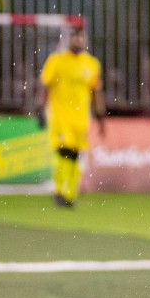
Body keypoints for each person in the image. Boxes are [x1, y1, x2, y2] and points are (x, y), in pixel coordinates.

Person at [36, 28, 105, 208]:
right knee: (63, 151)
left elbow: (95, 92)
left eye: (81, 37)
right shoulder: (56, 61)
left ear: (85, 40)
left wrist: (101, 118)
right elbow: (45, 85)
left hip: (81, 119)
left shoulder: (91, 64)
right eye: (74, 37)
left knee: (75, 155)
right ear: (68, 40)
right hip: (60, 116)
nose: (78, 41)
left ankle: (69, 193)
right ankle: (59, 191)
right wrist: (40, 109)